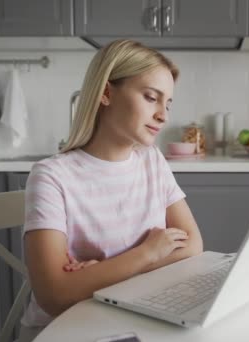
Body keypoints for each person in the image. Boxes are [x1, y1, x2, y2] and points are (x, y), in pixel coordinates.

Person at [18, 39, 203, 341]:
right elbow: (53, 295)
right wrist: (148, 253)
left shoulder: (152, 161)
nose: (163, 115)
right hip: (64, 331)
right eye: (150, 97)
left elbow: (193, 245)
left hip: (131, 317)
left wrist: (100, 274)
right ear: (106, 93)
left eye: (167, 103)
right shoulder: (51, 176)